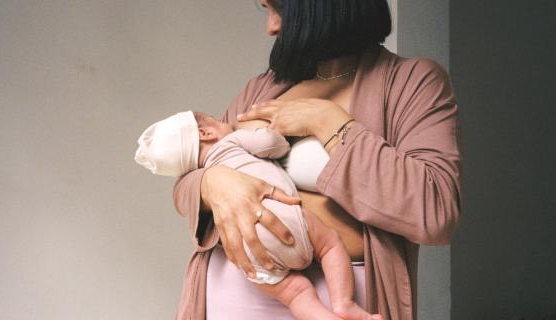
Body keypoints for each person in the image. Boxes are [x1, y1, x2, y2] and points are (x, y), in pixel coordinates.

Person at [172, 0, 462, 319]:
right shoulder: (263, 88)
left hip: (342, 303)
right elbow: (186, 182)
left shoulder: (413, 82)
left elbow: (435, 210)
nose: (272, 27)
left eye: (279, 9)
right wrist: (213, 183)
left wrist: (330, 123)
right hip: (231, 297)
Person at [134, 110, 380, 320]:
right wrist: (272, 134)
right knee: (329, 245)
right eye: (216, 119)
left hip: (249, 254)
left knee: (296, 295)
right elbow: (272, 143)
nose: (226, 120)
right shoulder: (232, 141)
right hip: (286, 220)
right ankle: (344, 304)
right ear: (205, 134)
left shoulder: (204, 169)